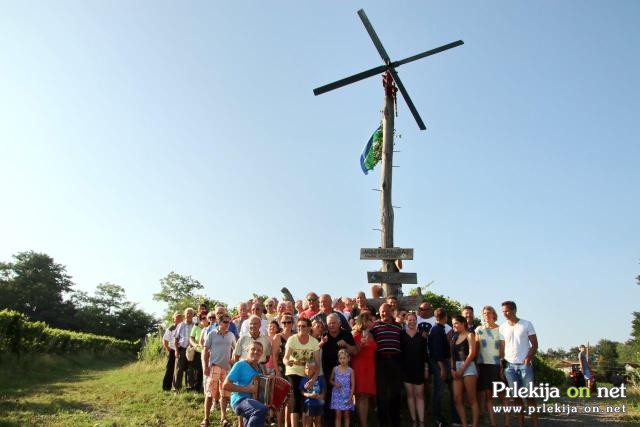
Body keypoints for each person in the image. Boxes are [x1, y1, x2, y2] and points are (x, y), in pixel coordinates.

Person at [499, 300, 539, 427]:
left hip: (524, 365)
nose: (504, 313)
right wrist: (502, 364)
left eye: (507, 311)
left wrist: (528, 358)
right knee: (516, 397)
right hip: (509, 366)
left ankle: (535, 424)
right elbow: (502, 347)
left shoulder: (526, 324)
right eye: (503, 311)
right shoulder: (502, 327)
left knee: (529, 396)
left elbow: (535, 344)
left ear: (514, 310)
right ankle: (521, 424)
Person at [475, 305, 510, 427]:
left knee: (502, 395)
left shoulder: (501, 329)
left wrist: (501, 364)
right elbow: (476, 348)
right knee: (488, 396)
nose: (487, 315)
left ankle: (506, 423)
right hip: (483, 365)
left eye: (489, 313)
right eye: (484, 313)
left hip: (497, 365)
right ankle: (493, 424)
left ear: (494, 315)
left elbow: (502, 350)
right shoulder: (479, 329)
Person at [283, 317, 321, 427]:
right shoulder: (292, 339)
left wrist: (314, 379)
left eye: (303, 326)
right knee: (296, 396)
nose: (300, 328)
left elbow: (318, 364)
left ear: (309, 328)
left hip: (308, 373)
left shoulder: (314, 342)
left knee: (306, 399)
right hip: (293, 370)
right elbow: (285, 358)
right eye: (298, 326)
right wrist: (287, 362)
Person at [370, 302, 403, 426]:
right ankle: (383, 422)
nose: (384, 313)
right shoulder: (375, 326)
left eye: (386, 310)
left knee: (395, 392)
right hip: (381, 362)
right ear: (380, 312)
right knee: (381, 393)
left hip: (395, 361)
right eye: (382, 311)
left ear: (390, 311)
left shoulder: (399, 326)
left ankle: (395, 421)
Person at [319, 313, 356, 425]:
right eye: (329, 323)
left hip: (344, 374)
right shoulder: (323, 335)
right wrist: (321, 343)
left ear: (339, 323)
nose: (331, 325)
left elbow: (354, 351)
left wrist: (346, 344)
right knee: (329, 400)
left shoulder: (346, 334)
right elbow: (315, 350)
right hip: (327, 372)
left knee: (345, 405)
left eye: (334, 322)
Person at [222, 341, 268, 427]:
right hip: (240, 400)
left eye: (259, 350)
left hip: (254, 402)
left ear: (261, 353)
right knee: (261, 409)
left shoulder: (260, 368)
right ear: (247, 351)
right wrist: (247, 389)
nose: (256, 352)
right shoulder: (240, 365)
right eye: (253, 349)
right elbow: (225, 385)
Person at [203, 313, 236, 427]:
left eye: (229, 322)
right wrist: (205, 367)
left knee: (224, 394)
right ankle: (206, 419)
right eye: (225, 322)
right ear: (219, 322)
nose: (227, 324)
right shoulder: (211, 334)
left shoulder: (231, 335)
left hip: (226, 368)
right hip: (214, 366)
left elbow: (235, 349)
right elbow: (205, 351)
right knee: (210, 394)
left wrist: (233, 358)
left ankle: (223, 418)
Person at [451, 315, 479, 427]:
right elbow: (451, 355)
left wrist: (462, 369)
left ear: (463, 323)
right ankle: (464, 424)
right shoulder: (454, 337)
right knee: (457, 398)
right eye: (453, 324)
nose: (454, 326)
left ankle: (475, 424)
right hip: (456, 368)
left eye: (456, 323)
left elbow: (472, 353)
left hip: (468, 366)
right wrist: (452, 369)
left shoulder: (470, 335)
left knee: (471, 398)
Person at [401, 311, 429, 427]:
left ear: (417, 321)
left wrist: (426, 368)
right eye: (410, 320)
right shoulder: (401, 335)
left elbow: (425, 354)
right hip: (406, 369)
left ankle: (421, 421)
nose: (412, 322)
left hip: (419, 368)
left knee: (420, 395)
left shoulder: (422, 336)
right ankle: (414, 421)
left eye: (414, 320)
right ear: (406, 321)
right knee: (410, 395)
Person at [351, 312, 376, 427]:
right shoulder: (355, 334)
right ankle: (362, 423)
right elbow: (354, 352)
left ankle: (363, 422)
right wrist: (361, 344)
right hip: (359, 367)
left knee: (366, 396)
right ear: (364, 321)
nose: (372, 322)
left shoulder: (372, 334)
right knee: (360, 395)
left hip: (370, 367)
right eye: (370, 320)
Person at [428, 308, 451, 427]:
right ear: (445, 317)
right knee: (439, 391)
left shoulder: (438, 329)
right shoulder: (437, 330)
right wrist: (442, 368)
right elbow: (437, 352)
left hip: (440, 363)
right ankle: (438, 419)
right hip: (438, 364)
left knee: (440, 391)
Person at [329, 349, 355, 427]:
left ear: (348, 359)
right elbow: (330, 380)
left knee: (347, 415)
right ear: (338, 359)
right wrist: (335, 384)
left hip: (347, 395)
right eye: (340, 358)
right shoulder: (335, 369)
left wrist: (351, 396)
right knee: (338, 415)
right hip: (337, 394)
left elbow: (353, 384)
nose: (342, 360)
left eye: (344, 358)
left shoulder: (351, 370)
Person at [174, 307, 195, 390]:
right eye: (187, 313)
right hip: (182, 349)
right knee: (179, 368)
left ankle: (190, 387)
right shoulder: (180, 325)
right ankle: (176, 388)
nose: (189, 314)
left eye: (191, 313)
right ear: (185, 315)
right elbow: (176, 338)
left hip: (192, 350)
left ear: (193, 315)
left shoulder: (195, 325)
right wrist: (176, 350)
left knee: (191, 369)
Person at [301, 361, 325, 427]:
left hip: (319, 404)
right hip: (309, 404)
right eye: (306, 368)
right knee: (308, 422)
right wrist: (309, 395)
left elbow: (323, 391)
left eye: (310, 369)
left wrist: (321, 396)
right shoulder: (304, 380)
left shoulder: (320, 379)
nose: (308, 370)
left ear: (315, 370)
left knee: (318, 421)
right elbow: (302, 392)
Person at [162, 312, 182, 391]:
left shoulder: (183, 326)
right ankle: (166, 387)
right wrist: (168, 348)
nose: (178, 319)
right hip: (172, 350)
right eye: (177, 317)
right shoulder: (171, 328)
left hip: (181, 350)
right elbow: (165, 340)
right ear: (173, 318)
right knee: (170, 369)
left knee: (179, 369)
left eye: (180, 317)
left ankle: (177, 386)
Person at [190, 313, 210, 392]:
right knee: (198, 371)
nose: (204, 320)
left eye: (206, 318)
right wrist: (194, 345)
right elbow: (191, 337)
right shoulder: (196, 326)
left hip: (208, 352)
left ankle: (206, 388)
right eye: (202, 318)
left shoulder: (211, 327)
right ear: (200, 319)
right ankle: (197, 389)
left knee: (207, 370)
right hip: (199, 351)